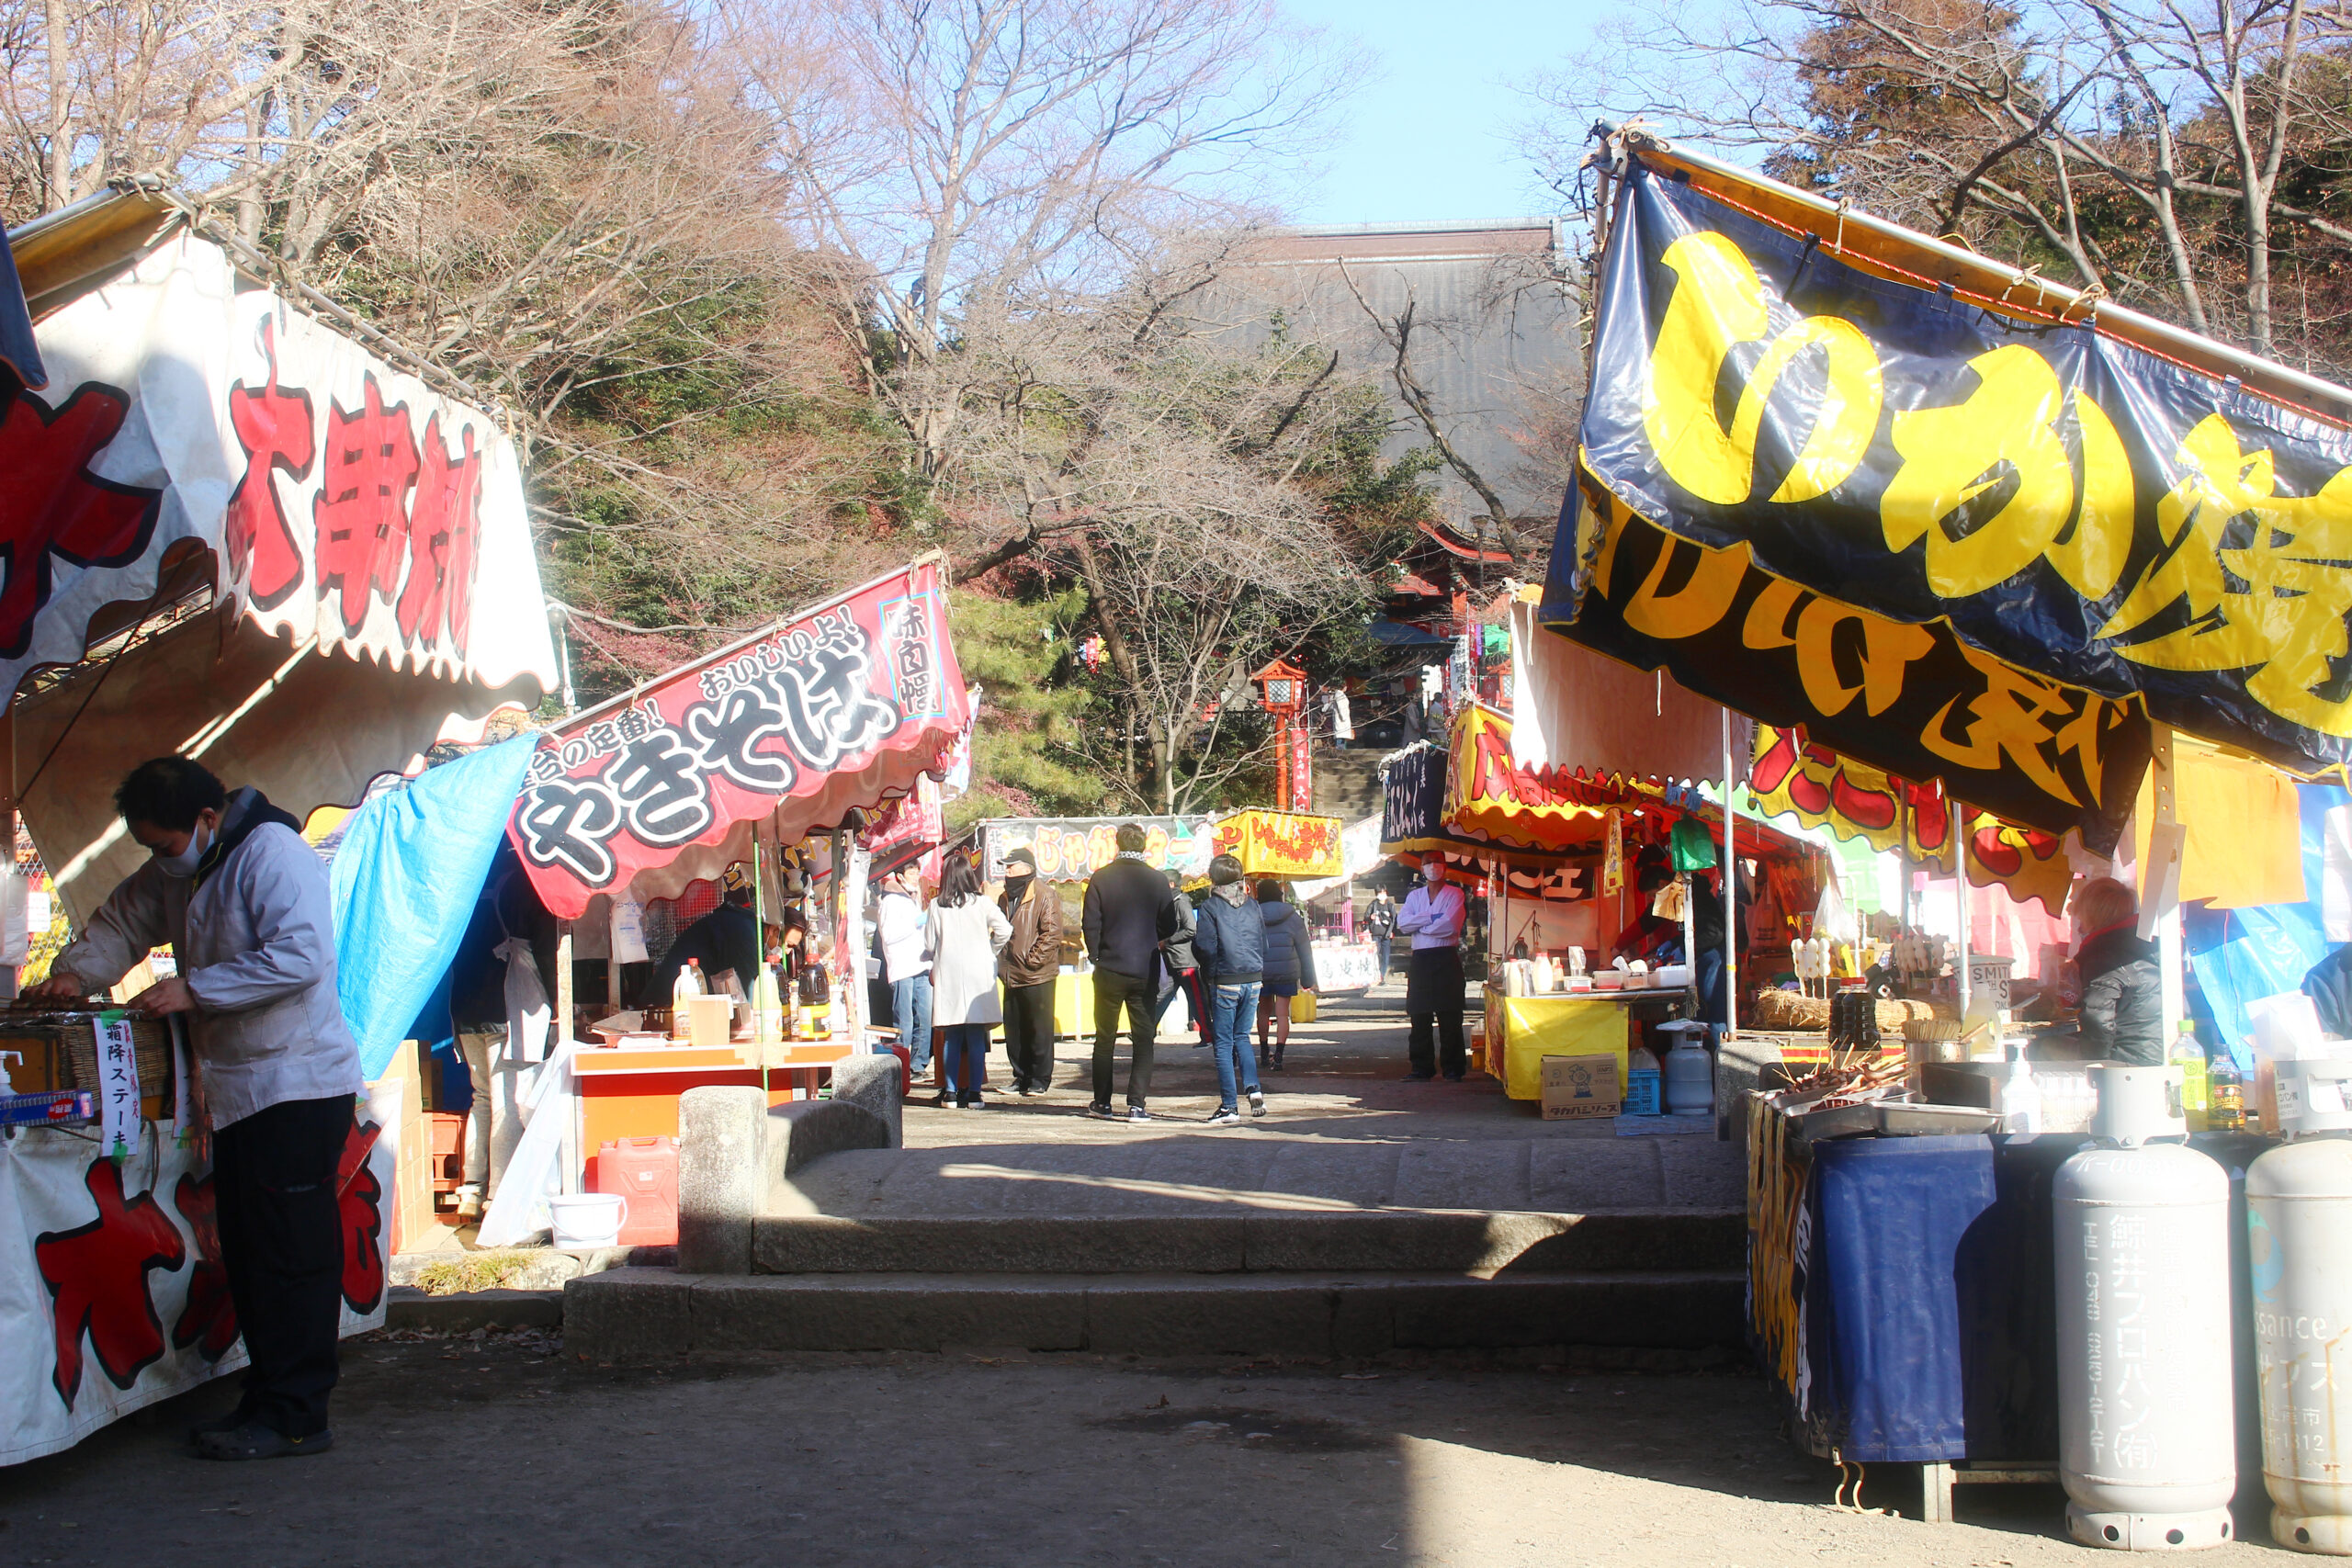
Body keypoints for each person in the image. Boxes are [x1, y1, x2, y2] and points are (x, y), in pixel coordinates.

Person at [30, 758, 361, 1461]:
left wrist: (196, 988)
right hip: (242, 1090)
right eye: (149, 846)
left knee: (291, 1253)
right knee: (248, 1248)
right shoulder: (179, 868)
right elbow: (124, 920)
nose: (159, 857)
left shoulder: (273, 854)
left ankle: (299, 1411)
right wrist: (72, 973)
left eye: (164, 842)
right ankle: (268, 1395)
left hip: (297, 1085)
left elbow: (302, 956)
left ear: (207, 819)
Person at [1081, 823, 1182, 1122]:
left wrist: (1097, 953)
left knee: (1105, 1037)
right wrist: (1154, 940)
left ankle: (1102, 1103)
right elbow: (1170, 924)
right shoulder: (1157, 879)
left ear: (1116, 843)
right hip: (1144, 968)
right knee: (1143, 1038)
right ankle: (1137, 1104)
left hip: (1110, 967)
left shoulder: (1101, 877)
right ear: (1143, 845)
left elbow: (1090, 923)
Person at [925, 856, 1012, 1107]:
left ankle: (950, 1093)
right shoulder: (983, 903)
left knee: (951, 1036)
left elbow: (929, 944)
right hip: (978, 974)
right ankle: (974, 1093)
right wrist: (990, 950)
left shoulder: (936, 905)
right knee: (975, 1035)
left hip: (949, 974)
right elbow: (1005, 930)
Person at [1193, 854, 1268, 1123]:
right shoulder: (1253, 905)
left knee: (1223, 1043)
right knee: (1242, 1036)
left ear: (1214, 878)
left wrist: (1209, 974)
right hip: (1254, 976)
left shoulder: (1211, 907)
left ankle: (1228, 1106)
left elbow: (1205, 947)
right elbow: (1263, 942)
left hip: (1225, 979)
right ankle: (1254, 1089)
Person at [2073, 875, 2163, 1064]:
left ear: (2092, 914)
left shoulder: (2103, 955)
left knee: (2039, 1048)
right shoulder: (2145, 946)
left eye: (2079, 912)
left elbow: (2098, 1021)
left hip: (2130, 1061)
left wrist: (2093, 1069)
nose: (2077, 918)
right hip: (2158, 1052)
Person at [997, 848, 1063, 1095]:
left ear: (1026, 869)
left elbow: (1052, 933)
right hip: (1011, 973)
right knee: (1014, 1029)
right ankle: (1020, 1076)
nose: (1007, 871)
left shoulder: (1045, 894)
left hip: (1037, 974)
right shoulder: (1005, 897)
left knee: (1039, 1029)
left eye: (1011, 867)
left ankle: (1039, 1078)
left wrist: (1032, 960)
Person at [1396, 859, 1468, 1080]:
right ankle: (1421, 1067)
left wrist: (1420, 925)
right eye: (1428, 862)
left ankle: (1453, 1068)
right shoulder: (1414, 897)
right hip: (1421, 959)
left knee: (1450, 1016)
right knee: (1419, 1015)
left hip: (1445, 957)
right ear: (1421, 868)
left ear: (1445, 867)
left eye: (1437, 862)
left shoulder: (1455, 894)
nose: (1433, 867)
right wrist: (1430, 919)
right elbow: (1403, 924)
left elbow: (1448, 926)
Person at [646, 877, 759, 1002]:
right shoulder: (743, 932)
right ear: (773, 930)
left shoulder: (742, 924)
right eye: (785, 944)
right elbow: (747, 994)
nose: (785, 951)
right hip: (670, 1005)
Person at [876, 864, 933, 1077]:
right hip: (902, 966)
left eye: (917, 873)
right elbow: (890, 935)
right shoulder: (891, 901)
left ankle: (918, 1065)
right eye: (911, 873)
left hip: (921, 965)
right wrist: (917, 922)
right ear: (900, 876)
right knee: (904, 1022)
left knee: (925, 1017)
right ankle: (901, 1065)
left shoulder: (913, 898)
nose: (916, 877)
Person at [1255, 880, 1318, 1071]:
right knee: (1282, 1014)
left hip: (1261, 970)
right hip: (1286, 971)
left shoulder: (1253, 914)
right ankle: (1280, 1055)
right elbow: (1304, 949)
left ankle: (1264, 1052)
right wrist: (1308, 978)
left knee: (1263, 1011)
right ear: (1279, 893)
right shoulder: (1292, 916)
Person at [1155, 869, 1214, 1050]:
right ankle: (1145, 1032)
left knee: (1197, 1001)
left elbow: (1191, 929)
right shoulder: (1168, 903)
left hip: (1186, 962)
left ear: (1171, 885)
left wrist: (1167, 941)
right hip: (1172, 960)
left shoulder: (1182, 902)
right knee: (1161, 998)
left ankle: (1209, 1035)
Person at [1364, 887, 1397, 984]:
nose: (1382, 894)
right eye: (1380, 892)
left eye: (1383, 892)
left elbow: (1394, 919)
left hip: (1386, 935)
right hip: (1375, 934)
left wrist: (1392, 931)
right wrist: (1370, 917)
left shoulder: (1390, 906)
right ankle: (1375, 975)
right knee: (1375, 956)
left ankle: (1382, 976)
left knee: (1385, 957)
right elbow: (1366, 916)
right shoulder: (1373, 905)